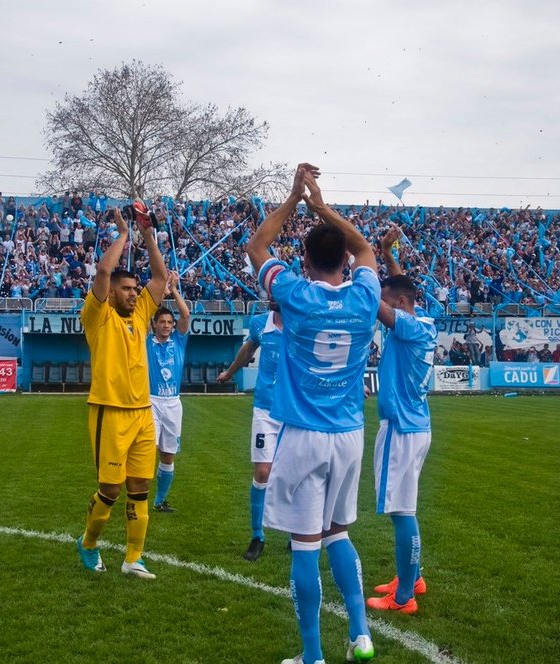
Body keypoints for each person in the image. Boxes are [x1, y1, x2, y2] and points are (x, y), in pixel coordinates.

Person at [247, 164, 378, 664]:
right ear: (345, 259)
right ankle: (361, 632)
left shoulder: (294, 296)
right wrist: (321, 205)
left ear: (303, 260)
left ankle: (312, 656)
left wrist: (293, 197)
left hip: (302, 434)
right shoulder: (366, 296)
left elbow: (257, 247)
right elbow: (365, 248)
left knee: (306, 546)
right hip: (348, 433)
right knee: (339, 534)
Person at [76, 207, 167, 581]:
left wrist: (148, 234)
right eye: (126, 289)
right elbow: (101, 271)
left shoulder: (142, 313)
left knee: (140, 486)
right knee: (110, 489)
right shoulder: (98, 316)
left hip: (143, 413)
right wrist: (124, 235)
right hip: (109, 412)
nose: (133, 294)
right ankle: (88, 542)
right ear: (111, 291)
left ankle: (133, 557)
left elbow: (160, 277)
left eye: (135, 289)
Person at [365, 226, 437, 615]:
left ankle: (404, 596)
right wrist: (386, 253)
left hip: (402, 429)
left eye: (391, 303)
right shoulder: (423, 322)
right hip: (415, 425)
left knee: (401, 510)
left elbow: (381, 303)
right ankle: (412, 576)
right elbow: (399, 287)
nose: (384, 309)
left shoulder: (408, 326)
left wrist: (361, 266)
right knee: (403, 506)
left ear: (402, 303)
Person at [217, 299, 283, 562]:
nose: (271, 295)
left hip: (295, 412)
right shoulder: (260, 323)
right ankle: (258, 536)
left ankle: (295, 535)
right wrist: (230, 371)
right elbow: (247, 350)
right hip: (265, 409)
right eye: (269, 290)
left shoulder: (303, 322)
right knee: (263, 471)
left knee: (294, 474)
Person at [148, 271, 191, 513]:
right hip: (150, 402)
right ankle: (139, 498)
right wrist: (159, 294)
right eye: (161, 322)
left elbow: (185, 313)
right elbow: (144, 313)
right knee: (147, 451)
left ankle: (159, 501)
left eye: (169, 323)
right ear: (154, 324)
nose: (166, 326)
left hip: (174, 403)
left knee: (168, 455)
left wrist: (173, 290)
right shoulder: (146, 341)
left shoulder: (179, 341)